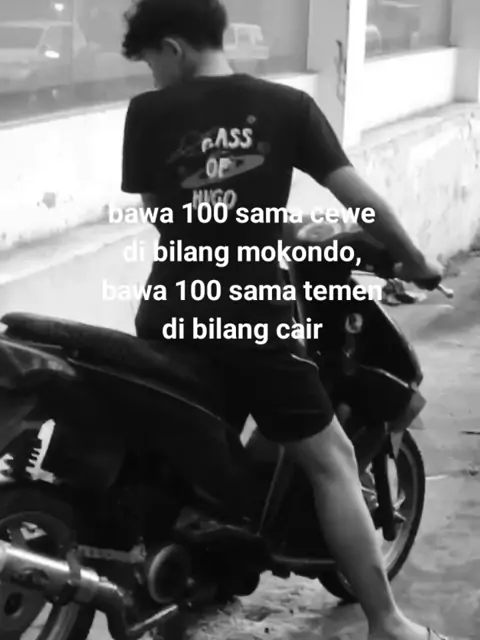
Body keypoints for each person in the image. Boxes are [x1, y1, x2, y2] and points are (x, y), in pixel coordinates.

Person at [120, 1, 450, 638]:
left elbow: (163, 213)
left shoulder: (147, 112)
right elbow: (358, 199)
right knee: (332, 460)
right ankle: (387, 622)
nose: (153, 75)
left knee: (181, 454)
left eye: (152, 61)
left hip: (170, 310)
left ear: (173, 48)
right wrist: (415, 261)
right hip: (255, 316)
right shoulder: (287, 107)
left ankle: (179, 595)